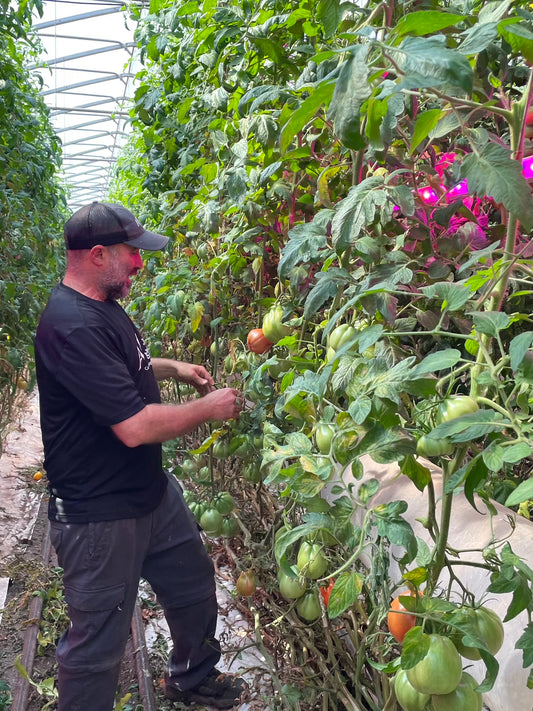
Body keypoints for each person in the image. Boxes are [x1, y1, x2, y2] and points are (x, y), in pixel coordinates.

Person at [35, 201, 248, 710]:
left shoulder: (102, 304)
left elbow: (126, 364)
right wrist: (208, 407)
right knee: (98, 645)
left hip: (149, 496)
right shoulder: (72, 325)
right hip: (99, 519)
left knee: (194, 587)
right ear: (97, 254)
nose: (139, 263)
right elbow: (133, 427)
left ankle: (192, 678)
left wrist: (172, 368)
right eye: (132, 253)